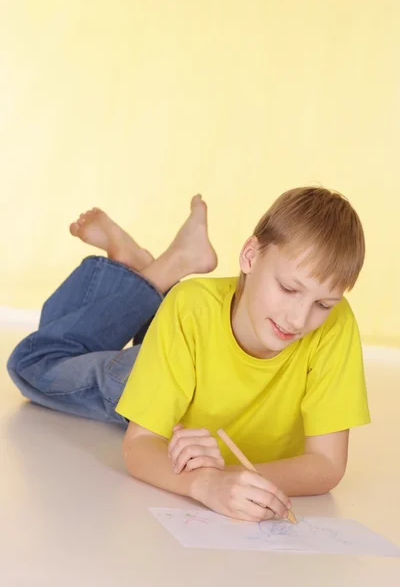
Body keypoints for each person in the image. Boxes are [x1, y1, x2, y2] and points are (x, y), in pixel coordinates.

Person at [7, 187, 370, 523]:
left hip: (188, 349)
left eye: (323, 304)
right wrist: (206, 485)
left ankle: (140, 268)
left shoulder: (334, 325)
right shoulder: (191, 309)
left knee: (174, 324)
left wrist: (228, 477)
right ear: (249, 255)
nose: (298, 320)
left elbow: (326, 465)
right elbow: (140, 446)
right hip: (167, 366)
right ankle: (166, 268)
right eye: (289, 288)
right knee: (37, 362)